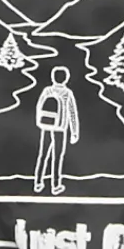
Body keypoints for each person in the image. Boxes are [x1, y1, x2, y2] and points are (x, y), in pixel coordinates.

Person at [33, 66, 79, 195]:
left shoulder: (47, 90)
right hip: (60, 128)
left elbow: (39, 106)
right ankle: (56, 185)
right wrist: (74, 132)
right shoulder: (67, 93)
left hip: (46, 126)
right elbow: (72, 113)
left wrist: (40, 122)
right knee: (57, 157)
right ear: (65, 79)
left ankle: (38, 182)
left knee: (43, 155)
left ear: (53, 78)